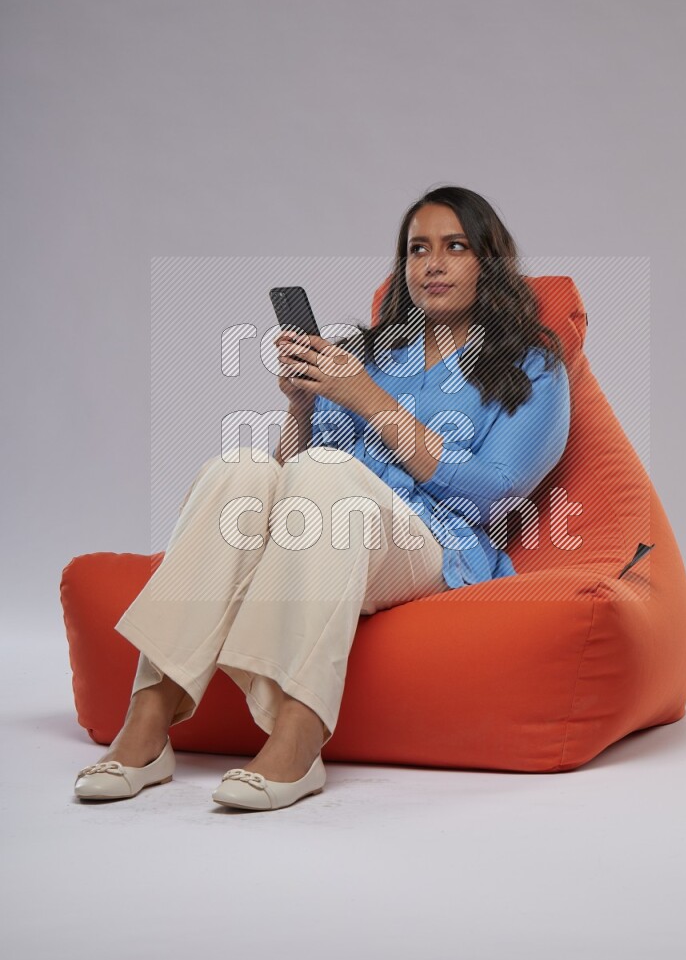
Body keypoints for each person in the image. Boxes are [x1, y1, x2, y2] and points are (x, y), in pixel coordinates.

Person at [73, 185, 571, 812]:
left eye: (456, 248)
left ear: (488, 263)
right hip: (330, 527)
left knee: (331, 476)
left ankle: (299, 736)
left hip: (434, 543)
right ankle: (147, 722)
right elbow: (296, 471)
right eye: (418, 249)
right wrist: (302, 404)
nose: (433, 264)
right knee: (240, 467)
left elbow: (502, 487)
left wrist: (371, 401)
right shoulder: (368, 354)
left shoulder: (533, 365)